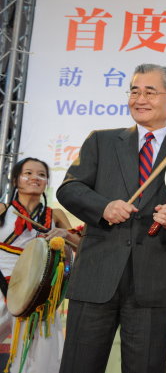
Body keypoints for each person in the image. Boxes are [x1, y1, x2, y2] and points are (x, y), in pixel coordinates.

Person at [56, 63, 166, 373]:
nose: (140, 99)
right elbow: (69, 189)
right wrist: (103, 207)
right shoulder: (101, 141)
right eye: (135, 91)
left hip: (155, 280)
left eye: (150, 92)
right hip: (97, 275)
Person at [0, 157, 79, 372]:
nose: (35, 178)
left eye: (41, 175)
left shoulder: (55, 215)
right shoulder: (3, 210)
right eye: (28, 173)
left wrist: (65, 234)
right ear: (15, 180)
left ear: (46, 183)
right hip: (2, 283)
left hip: (38, 293)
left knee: (41, 353)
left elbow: (82, 246)